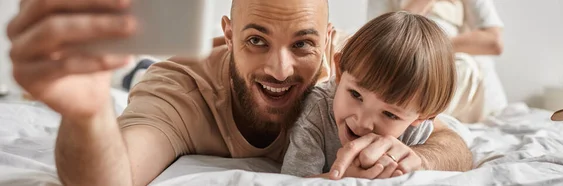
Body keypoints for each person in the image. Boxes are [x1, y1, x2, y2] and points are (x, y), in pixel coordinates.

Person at [6, 0, 472, 185]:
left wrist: (422, 159)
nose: (280, 68)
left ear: (331, 46)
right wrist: (86, 112)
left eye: (303, 44)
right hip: (172, 71)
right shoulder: (180, 92)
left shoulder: (354, 73)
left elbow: (444, 135)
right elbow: (112, 177)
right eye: (256, 40)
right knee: (139, 74)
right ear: (228, 35)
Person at [281, 11, 464, 178]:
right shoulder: (316, 110)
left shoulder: (415, 129)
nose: (363, 122)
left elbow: (457, 154)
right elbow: (295, 180)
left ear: (421, 117)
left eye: (390, 114)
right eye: (356, 94)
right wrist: (340, 178)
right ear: (339, 70)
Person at [368, 0, 507, 123]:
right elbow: (382, 38)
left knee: (462, 66)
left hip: (464, 80)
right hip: (411, 71)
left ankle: (411, 123)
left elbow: (494, 42)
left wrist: (431, 48)